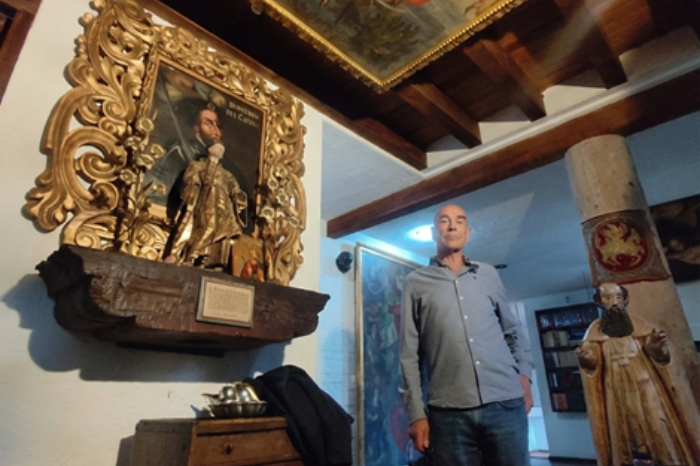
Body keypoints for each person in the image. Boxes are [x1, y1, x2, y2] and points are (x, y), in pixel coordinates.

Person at [400, 204, 533, 466]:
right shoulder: (415, 282)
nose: (452, 226)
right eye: (444, 220)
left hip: (506, 404)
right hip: (448, 414)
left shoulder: (489, 274)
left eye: (459, 221)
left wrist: (525, 378)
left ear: (468, 233)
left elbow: (512, 331)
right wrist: (416, 413)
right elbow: (409, 354)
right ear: (433, 232)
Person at [576, 282, 700, 466]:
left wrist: (657, 345)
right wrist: (586, 358)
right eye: (608, 298)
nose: (614, 302)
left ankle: (668, 460)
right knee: (622, 429)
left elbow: (658, 356)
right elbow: (592, 365)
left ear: (625, 300)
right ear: (599, 302)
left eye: (618, 297)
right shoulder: (594, 331)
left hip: (644, 383)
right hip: (615, 388)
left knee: (657, 423)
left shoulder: (640, 325)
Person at [165, 139, 247, 268]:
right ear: (209, 148)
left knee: (215, 230)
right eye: (218, 148)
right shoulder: (197, 165)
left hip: (223, 209)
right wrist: (194, 181)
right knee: (198, 226)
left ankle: (197, 257)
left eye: (222, 151)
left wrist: (240, 197)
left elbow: (235, 191)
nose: (221, 152)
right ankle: (182, 254)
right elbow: (189, 179)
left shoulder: (227, 174)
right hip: (204, 202)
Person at [143, 101, 224, 207]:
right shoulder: (178, 152)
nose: (216, 131)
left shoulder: (216, 159)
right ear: (196, 127)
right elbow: (164, 192)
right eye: (208, 124)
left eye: (218, 125)